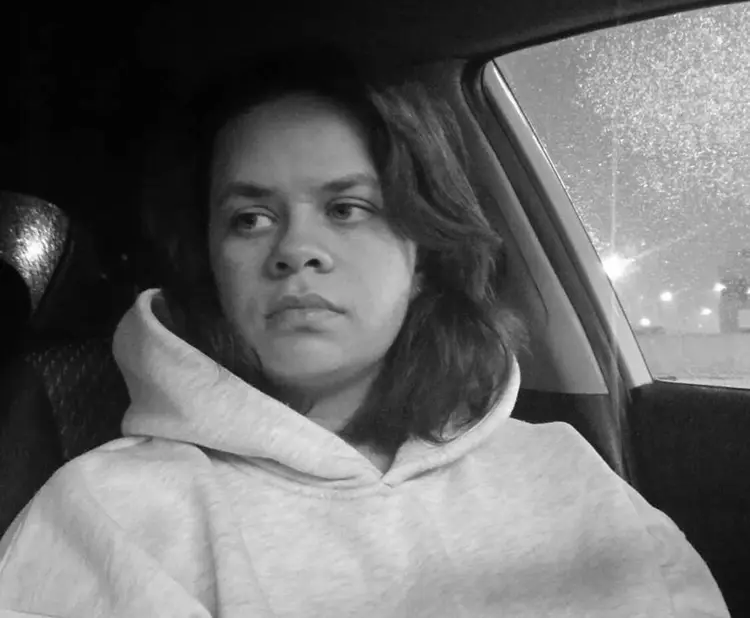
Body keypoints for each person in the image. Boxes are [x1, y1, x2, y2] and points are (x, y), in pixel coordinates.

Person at [0, 51, 729, 617]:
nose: (295, 249)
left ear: (422, 256)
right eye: (250, 218)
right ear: (212, 268)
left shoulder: (565, 470)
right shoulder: (110, 513)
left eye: (347, 208)